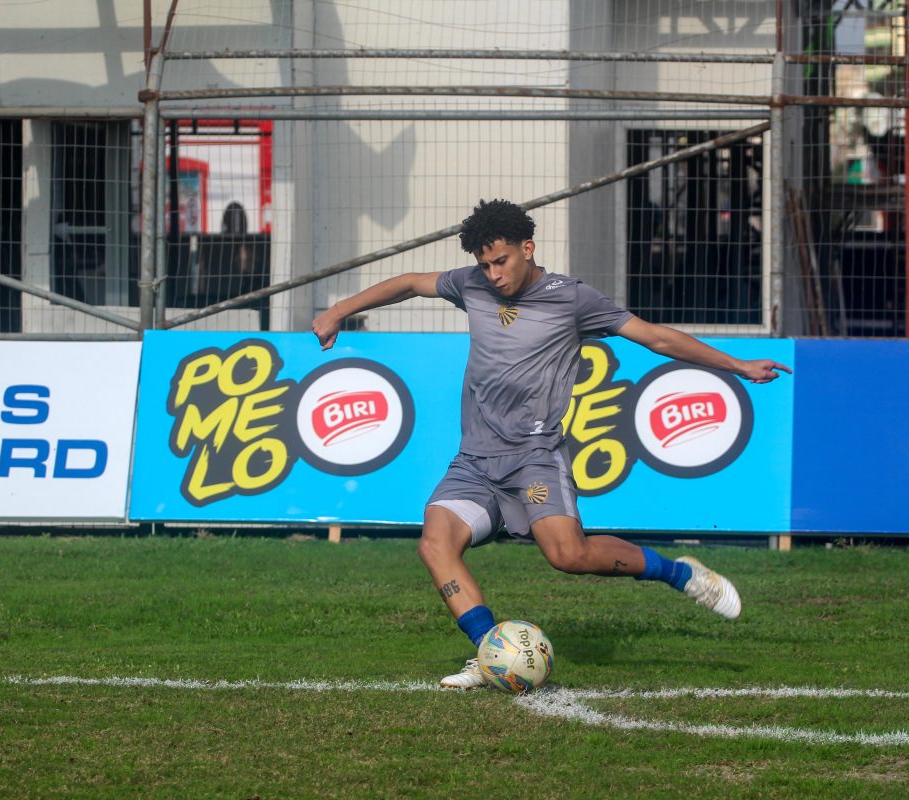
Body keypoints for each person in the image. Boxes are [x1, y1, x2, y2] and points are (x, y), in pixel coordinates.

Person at [312, 199, 791, 689]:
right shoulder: (470, 284)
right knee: (435, 544)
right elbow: (410, 282)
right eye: (485, 265)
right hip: (474, 462)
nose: (493, 274)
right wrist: (338, 312)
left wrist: (737, 365)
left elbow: (655, 339)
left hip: (534, 459)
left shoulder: (572, 298)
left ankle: (678, 573)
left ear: (528, 247)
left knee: (568, 556)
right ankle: (490, 651)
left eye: (502, 261)